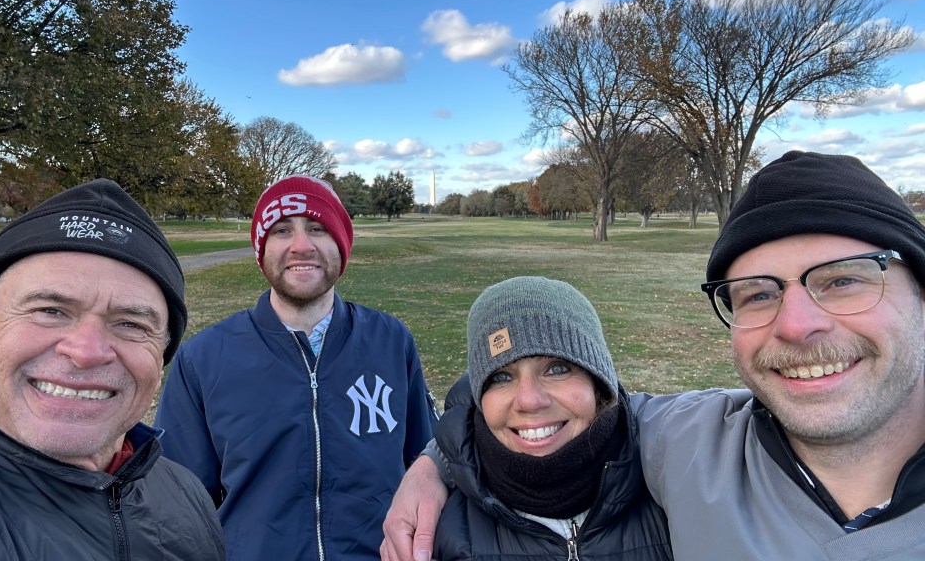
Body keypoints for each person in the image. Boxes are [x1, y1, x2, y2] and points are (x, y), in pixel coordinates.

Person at [381, 150, 925, 561]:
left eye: (843, 280)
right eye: (758, 294)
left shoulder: (667, 445)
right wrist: (433, 466)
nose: (797, 325)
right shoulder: (690, 441)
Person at [0, 179, 225, 560]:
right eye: (50, 311)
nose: (86, 351)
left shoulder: (186, 492)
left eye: (130, 324)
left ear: (159, 361)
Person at [154, 174, 440, 560]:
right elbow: (179, 506)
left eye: (318, 228)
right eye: (282, 230)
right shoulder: (203, 359)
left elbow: (426, 460)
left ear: (341, 244)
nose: (301, 246)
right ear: (262, 248)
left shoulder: (391, 341)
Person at [432, 276, 672, 560]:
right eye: (501, 376)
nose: (529, 401)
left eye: (557, 369)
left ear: (598, 385)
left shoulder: (674, 490)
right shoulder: (435, 531)